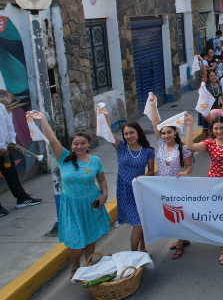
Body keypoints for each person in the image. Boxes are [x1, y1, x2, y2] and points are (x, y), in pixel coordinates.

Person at [29, 111, 109, 278]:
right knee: (75, 244)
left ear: (88, 144)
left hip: (91, 204)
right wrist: (43, 119)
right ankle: (75, 267)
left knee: (90, 237)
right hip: (71, 206)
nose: (79, 147)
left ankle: (89, 265)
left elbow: (101, 180)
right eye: (76, 144)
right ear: (71, 145)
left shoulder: (95, 161)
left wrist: (104, 195)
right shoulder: (64, 158)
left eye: (83, 143)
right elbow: (52, 139)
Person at [185, 114, 223, 265]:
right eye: (216, 128)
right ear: (212, 130)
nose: (219, 131)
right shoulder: (209, 143)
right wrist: (189, 126)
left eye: (221, 128)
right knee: (219, 216)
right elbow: (189, 146)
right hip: (214, 184)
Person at [101, 111, 154, 251]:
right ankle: (134, 255)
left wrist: (142, 177)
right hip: (125, 191)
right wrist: (106, 117)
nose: (129, 136)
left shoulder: (148, 151)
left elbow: (151, 171)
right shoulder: (121, 147)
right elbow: (108, 134)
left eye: (132, 133)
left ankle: (143, 249)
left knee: (142, 222)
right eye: (126, 134)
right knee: (138, 224)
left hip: (139, 190)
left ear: (138, 133)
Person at [148, 95, 193, 259]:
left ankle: (180, 244)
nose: (166, 135)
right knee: (168, 214)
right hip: (161, 186)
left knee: (178, 215)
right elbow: (155, 123)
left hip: (177, 186)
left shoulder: (183, 148)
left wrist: (184, 173)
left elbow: (189, 166)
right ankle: (183, 238)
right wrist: (153, 106)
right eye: (163, 133)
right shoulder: (160, 144)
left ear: (175, 132)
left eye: (169, 132)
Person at [0, 103, 42, 216]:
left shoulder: (1, 106)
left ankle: (22, 198)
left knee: (11, 174)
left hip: (6, 149)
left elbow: (9, 125)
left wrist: (12, 142)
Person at [199, 69, 221, 140]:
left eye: (214, 75)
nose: (213, 77)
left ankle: (213, 143)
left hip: (215, 108)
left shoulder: (219, 85)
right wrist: (202, 60)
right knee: (205, 128)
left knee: (213, 126)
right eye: (211, 76)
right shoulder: (206, 85)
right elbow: (204, 72)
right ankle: (206, 144)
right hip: (206, 108)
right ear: (208, 78)